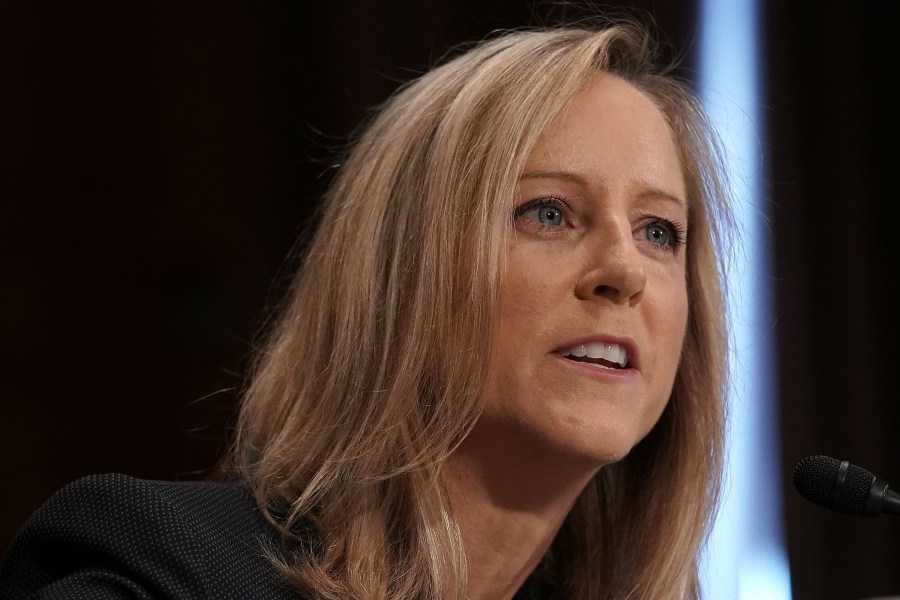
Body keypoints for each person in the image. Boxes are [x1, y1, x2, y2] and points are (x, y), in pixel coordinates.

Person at [0, 14, 733, 600]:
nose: (624, 271)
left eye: (658, 231)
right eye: (548, 213)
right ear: (399, 274)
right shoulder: (164, 570)